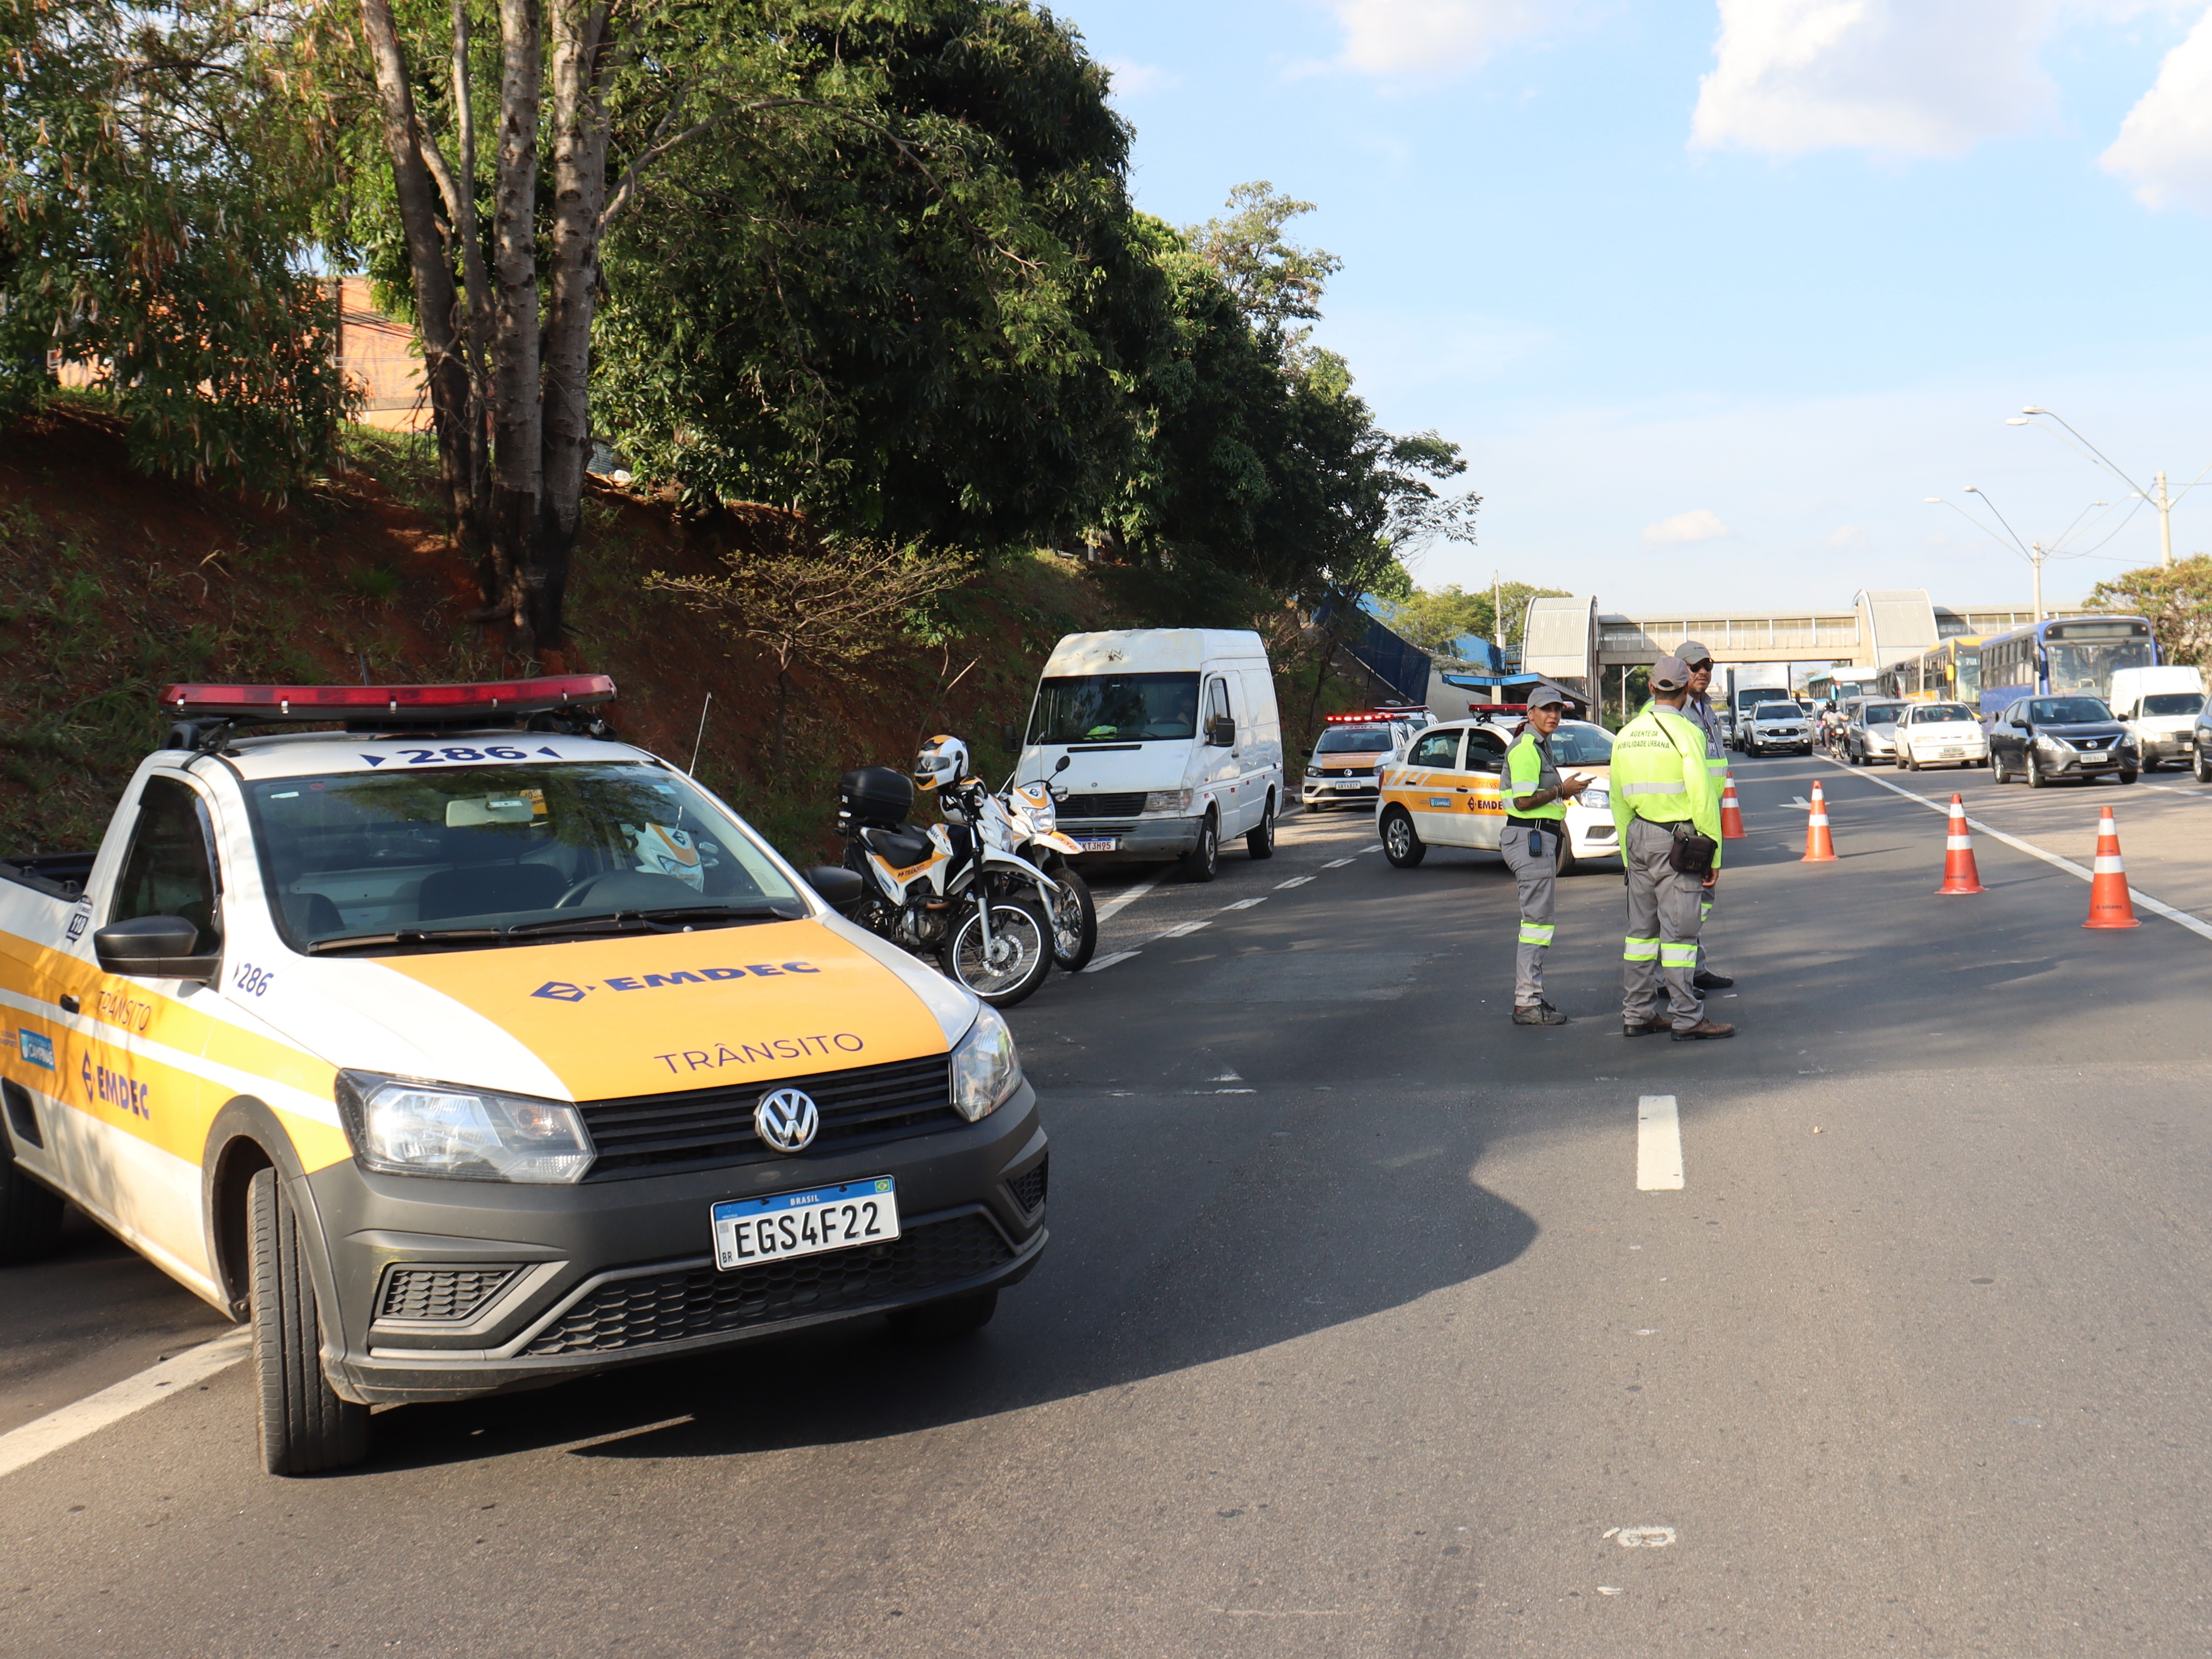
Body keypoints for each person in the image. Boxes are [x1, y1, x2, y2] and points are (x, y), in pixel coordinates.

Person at [1610, 655, 1733, 1041]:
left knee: (1640, 935)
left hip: (1637, 838)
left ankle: (1637, 1013)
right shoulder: (1686, 733)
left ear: (1650, 688)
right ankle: (1686, 1018)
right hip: (1676, 843)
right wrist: (1713, 854)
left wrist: (1628, 858)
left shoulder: (1626, 734)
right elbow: (1702, 799)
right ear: (1684, 691)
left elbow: (1617, 800)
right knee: (1680, 936)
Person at [1501, 683, 1592, 1025]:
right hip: (1531, 838)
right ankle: (1527, 1002)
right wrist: (1561, 790)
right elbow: (1524, 802)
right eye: (1546, 710)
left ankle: (1531, 997)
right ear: (1531, 715)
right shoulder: (1526, 748)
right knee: (1536, 925)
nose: (1553, 716)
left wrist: (1562, 795)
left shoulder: (1539, 746)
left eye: (1557, 710)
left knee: (1537, 924)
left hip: (1537, 837)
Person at [1674, 641, 1734, 993]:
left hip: (1707, 818)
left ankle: (1693, 968)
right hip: (1687, 819)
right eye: (1695, 666)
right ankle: (1674, 977)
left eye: (1707, 667)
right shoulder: (1675, 710)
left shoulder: (1706, 707)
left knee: (1701, 900)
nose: (1702, 673)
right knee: (1683, 904)